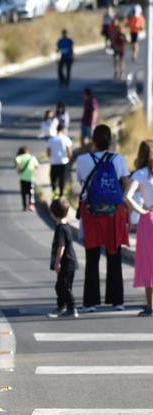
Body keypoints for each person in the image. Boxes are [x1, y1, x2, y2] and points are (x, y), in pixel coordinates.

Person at [76, 124, 130, 311]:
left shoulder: (82, 160)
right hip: (114, 213)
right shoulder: (119, 159)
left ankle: (90, 302)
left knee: (92, 257)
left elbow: (82, 182)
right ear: (110, 140)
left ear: (94, 141)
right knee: (114, 256)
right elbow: (126, 185)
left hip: (91, 212)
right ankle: (117, 301)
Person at [125, 139, 153, 315]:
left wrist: (141, 210)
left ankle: (150, 306)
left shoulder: (141, 174)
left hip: (149, 219)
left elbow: (127, 196)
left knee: (148, 263)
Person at [47, 198, 78, 319]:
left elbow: (61, 246)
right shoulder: (66, 226)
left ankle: (71, 307)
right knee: (63, 286)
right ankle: (61, 306)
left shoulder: (60, 228)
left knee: (62, 286)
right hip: (70, 262)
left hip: (66, 262)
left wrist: (57, 262)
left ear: (53, 214)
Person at [47, 123, 73, 199]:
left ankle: (54, 192)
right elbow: (69, 152)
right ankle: (61, 194)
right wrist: (69, 158)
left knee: (53, 178)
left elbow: (48, 152)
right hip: (63, 161)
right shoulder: (66, 139)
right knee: (62, 178)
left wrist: (51, 157)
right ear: (63, 130)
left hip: (54, 162)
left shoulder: (51, 139)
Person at [15, 145, 39, 212]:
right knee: (31, 192)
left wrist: (19, 171)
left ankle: (24, 206)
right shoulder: (32, 157)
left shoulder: (19, 157)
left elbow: (17, 163)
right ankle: (31, 205)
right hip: (31, 177)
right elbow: (37, 166)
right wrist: (34, 172)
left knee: (23, 192)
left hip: (22, 178)